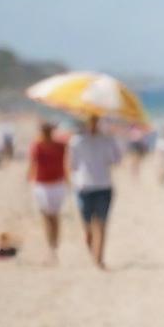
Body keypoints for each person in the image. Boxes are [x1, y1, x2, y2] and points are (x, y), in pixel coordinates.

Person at [68, 114, 121, 269]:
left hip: (104, 186)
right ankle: (94, 252)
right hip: (84, 187)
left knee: (102, 224)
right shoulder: (77, 141)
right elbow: (72, 164)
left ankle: (99, 259)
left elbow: (116, 160)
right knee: (88, 228)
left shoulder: (107, 140)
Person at [27, 120, 68, 264]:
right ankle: (51, 247)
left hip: (56, 183)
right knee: (46, 216)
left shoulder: (60, 145)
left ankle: (54, 247)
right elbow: (33, 164)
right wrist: (29, 178)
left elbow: (67, 162)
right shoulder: (37, 145)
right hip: (42, 184)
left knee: (54, 216)